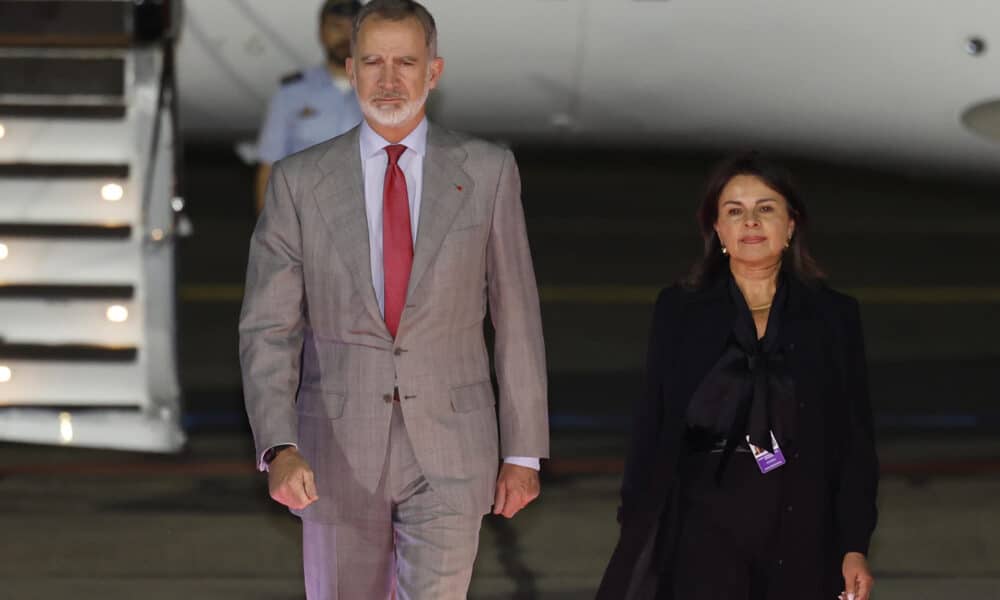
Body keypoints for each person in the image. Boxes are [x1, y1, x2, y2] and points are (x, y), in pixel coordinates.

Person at [239, 1, 549, 598]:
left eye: (405, 62)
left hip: (454, 451)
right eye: (373, 62)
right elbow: (268, 328)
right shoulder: (299, 181)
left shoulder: (487, 171)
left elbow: (517, 317)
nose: (388, 80)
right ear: (350, 71)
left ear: (433, 72)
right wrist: (279, 445)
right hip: (332, 450)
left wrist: (525, 451)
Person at [596, 153, 878, 600]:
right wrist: (636, 529)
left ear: (791, 226)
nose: (750, 222)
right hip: (701, 529)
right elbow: (652, 425)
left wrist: (853, 545)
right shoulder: (680, 310)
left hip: (802, 528)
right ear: (718, 230)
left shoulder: (833, 315)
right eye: (734, 211)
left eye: (766, 208)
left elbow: (855, 442)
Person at [254, 0, 365, 213]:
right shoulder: (291, 94)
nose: (345, 36)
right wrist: (266, 236)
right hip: (303, 225)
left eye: (353, 28)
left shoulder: (383, 93)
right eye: (336, 27)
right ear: (321, 32)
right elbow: (268, 170)